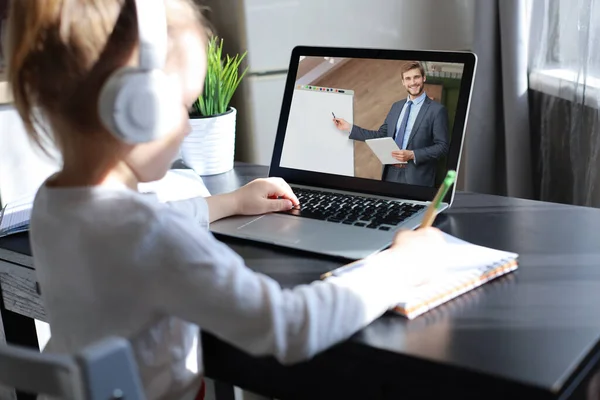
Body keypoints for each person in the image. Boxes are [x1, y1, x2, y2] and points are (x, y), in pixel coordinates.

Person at [6, 1, 445, 399]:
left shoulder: (51, 204)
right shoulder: (153, 237)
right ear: (134, 107)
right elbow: (290, 328)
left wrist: (227, 203)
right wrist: (400, 267)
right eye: (184, 105)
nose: (187, 127)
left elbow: (135, 229)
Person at [333, 61, 450, 187]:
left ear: (423, 78)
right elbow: (381, 135)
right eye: (408, 78)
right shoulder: (396, 106)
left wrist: (412, 154)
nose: (412, 82)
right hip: (390, 173)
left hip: (417, 177)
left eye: (416, 77)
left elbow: (442, 147)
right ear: (403, 82)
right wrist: (349, 128)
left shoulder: (437, 110)